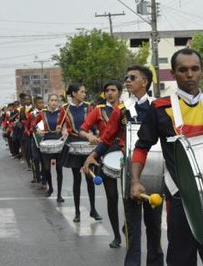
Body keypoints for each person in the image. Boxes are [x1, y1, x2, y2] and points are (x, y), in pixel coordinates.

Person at [129, 48, 203, 266]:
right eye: (183, 70)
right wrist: (135, 181)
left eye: (195, 69)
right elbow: (142, 146)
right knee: (180, 260)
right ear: (174, 74)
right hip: (179, 200)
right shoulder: (160, 108)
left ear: (202, 72)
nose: (189, 74)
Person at [83, 66, 164, 266]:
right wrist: (92, 157)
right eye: (126, 77)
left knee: (154, 225)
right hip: (130, 171)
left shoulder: (159, 106)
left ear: (144, 82)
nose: (127, 81)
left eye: (132, 78)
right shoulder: (122, 110)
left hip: (156, 170)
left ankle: (155, 262)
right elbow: (107, 136)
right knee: (132, 225)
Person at [80, 80, 123, 248]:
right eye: (107, 91)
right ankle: (117, 236)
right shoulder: (98, 110)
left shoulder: (126, 109)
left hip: (125, 152)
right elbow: (83, 128)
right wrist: (89, 136)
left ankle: (127, 226)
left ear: (119, 92)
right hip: (105, 153)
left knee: (129, 198)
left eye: (113, 90)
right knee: (112, 197)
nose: (110, 93)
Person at [57, 83, 102, 223]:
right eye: (82, 92)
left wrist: (96, 132)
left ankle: (93, 210)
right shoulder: (64, 108)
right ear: (74, 94)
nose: (84, 94)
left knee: (90, 178)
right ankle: (77, 212)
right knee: (77, 179)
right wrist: (59, 127)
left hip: (88, 144)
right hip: (74, 145)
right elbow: (60, 125)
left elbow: (93, 124)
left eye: (84, 92)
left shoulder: (88, 107)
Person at [32, 94, 65, 202]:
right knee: (46, 169)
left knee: (59, 169)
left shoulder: (62, 113)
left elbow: (68, 126)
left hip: (58, 142)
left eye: (56, 100)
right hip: (46, 141)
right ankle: (50, 188)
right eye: (52, 100)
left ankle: (59, 194)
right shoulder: (43, 113)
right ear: (48, 102)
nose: (54, 102)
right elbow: (33, 124)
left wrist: (64, 130)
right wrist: (38, 130)